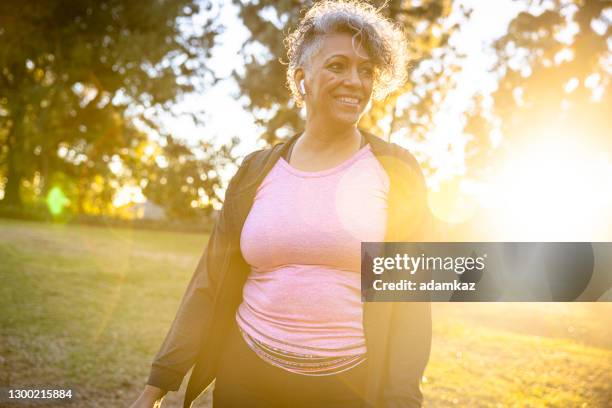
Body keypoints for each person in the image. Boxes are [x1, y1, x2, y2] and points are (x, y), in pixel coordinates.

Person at [130, 1, 433, 407]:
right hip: (246, 378)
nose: (355, 81)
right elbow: (208, 283)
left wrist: (403, 401)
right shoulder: (254, 171)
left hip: (348, 388)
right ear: (301, 78)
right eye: (338, 65)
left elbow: (413, 303)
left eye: (366, 71)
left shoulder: (397, 171)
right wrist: (156, 387)